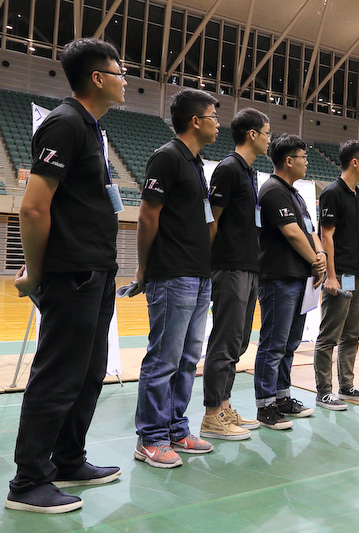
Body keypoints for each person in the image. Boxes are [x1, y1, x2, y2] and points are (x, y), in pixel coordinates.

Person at [5, 38, 125, 514]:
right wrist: (36, 273)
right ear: (97, 77)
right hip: (71, 273)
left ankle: (68, 459)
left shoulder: (91, 128)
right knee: (58, 376)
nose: (124, 78)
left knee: (89, 373)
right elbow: (34, 208)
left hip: (96, 271)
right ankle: (29, 484)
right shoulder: (65, 123)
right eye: (119, 71)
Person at [134, 88, 219, 468]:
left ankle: (176, 429)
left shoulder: (197, 163)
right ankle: (150, 438)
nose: (219, 123)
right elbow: (147, 216)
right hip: (172, 274)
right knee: (163, 359)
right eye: (213, 116)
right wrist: (143, 267)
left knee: (187, 359)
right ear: (195, 121)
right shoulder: (166, 158)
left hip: (199, 275)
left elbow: (202, 219)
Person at [200, 109, 271, 441]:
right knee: (225, 340)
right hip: (228, 267)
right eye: (267, 133)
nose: (270, 139)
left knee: (239, 341)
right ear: (252, 134)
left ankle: (225, 406)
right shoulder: (227, 170)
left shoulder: (249, 172)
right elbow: (211, 221)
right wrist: (207, 264)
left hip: (249, 266)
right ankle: (212, 414)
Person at [254, 134, 326, 428]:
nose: (306, 162)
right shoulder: (272, 191)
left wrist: (320, 255)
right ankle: (265, 405)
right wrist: (314, 260)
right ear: (288, 160)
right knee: (273, 344)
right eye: (303, 157)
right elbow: (292, 232)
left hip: (299, 280)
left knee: (290, 343)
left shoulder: (295, 194)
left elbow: (309, 230)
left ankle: (282, 396)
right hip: (278, 279)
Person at [314, 140, 359, 410]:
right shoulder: (332, 193)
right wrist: (331, 276)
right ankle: (324, 391)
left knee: (352, 334)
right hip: (341, 275)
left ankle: (346, 386)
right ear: (354, 162)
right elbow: (326, 236)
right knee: (329, 335)